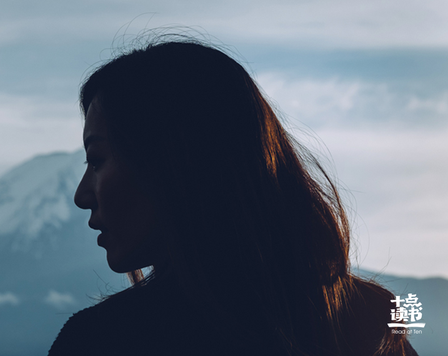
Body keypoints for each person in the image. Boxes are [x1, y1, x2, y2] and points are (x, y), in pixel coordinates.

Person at [48, 39, 418, 355]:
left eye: (96, 160)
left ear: (171, 165)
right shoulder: (374, 321)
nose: (83, 195)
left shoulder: (106, 341)